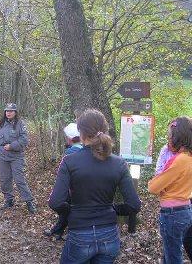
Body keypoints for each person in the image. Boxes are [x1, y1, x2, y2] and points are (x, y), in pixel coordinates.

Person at [49, 109, 141, 263]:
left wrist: (73, 211)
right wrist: (113, 208)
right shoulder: (119, 164)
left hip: (80, 234)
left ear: (81, 133)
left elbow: (55, 202)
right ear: (105, 130)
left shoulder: (69, 161)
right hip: (109, 236)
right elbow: (134, 205)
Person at [148, 116, 192, 264]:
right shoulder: (189, 157)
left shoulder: (179, 160)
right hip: (185, 209)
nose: (168, 137)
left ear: (177, 136)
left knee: (173, 258)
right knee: (169, 253)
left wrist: (161, 186)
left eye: (170, 134)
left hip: (173, 214)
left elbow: (153, 187)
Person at [0, 103, 36, 214]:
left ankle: (29, 201)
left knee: (19, 179)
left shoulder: (20, 124)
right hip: (2, 156)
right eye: (7, 111)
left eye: (11, 111)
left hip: (16, 156)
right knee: (5, 179)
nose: (8, 113)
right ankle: (9, 200)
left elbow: (24, 140)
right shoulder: (2, 123)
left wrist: (12, 146)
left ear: (15, 112)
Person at [44, 122, 83, 240]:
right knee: (65, 205)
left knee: (65, 206)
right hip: (78, 187)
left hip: (74, 187)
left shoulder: (71, 153)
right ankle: (58, 230)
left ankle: (67, 232)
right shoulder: (83, 149)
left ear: (69, 138)